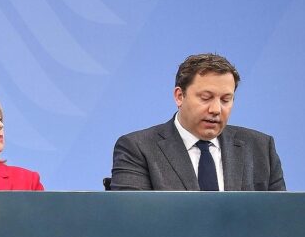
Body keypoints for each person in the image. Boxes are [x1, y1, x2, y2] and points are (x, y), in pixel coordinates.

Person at [110, 53, 285, 191]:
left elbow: (279, 221)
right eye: (206, 98)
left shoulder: (260, 148)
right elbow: (133, 222)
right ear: (179, 96)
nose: (216, 109)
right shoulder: (138, 148)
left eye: (226, 100)